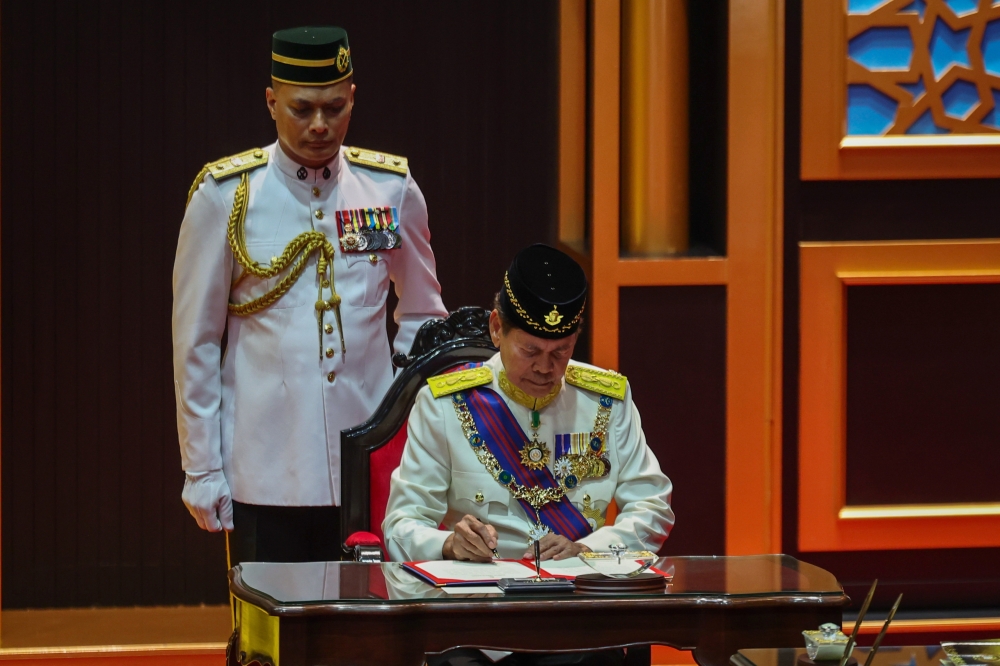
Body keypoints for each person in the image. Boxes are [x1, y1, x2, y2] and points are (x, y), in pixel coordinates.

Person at [173, 25, 447, 564]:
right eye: (302, 109)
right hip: (263, 467)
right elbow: (196, 342)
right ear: (271, 102)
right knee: (269, 616)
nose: (320, 125)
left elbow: (423, 315)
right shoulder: (227, 196)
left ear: (353, 98)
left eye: (334, 107)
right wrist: (201, 467)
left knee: (369, 613)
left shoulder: (389, 189)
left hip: (369, 460)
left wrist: (397, 412)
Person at [383, 244, 673, 666]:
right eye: (531, 351)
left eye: (561, 352)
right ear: (496, 329)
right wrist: (449, 544)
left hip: (575, 616)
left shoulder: (607, 401)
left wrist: (589, 549)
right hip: (478, 621)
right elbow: (400, 525)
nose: (545, 368)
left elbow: (653, 507)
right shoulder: (444, 405)